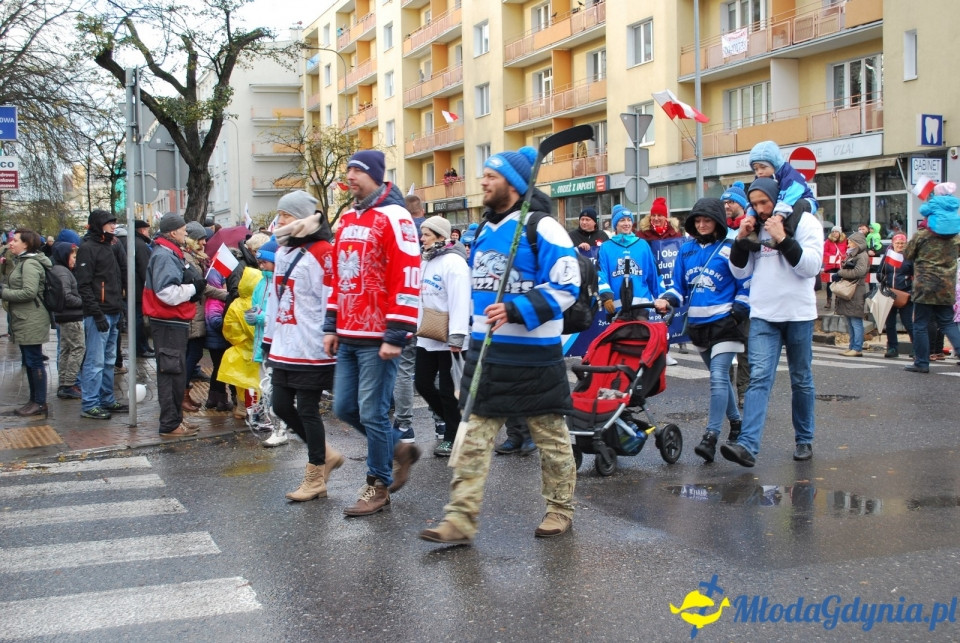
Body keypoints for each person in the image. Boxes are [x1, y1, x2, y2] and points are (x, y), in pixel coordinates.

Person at [419, 145, 579, 545]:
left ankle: (560, 508)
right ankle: (459, 518)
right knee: (471, 439)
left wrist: (516, 307)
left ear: (514, 183)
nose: (483, 182)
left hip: (535, 358)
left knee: (552, 439)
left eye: (491, 176)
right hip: (487, 356)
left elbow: (566, 284)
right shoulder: (483, 231)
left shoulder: (542, 227)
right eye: (484, 175)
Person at [323, 150, 422, 517]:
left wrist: (396, 332)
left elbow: (407, 275)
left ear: (377, 176)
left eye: (357, 171)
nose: (350, 176)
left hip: (380, 335)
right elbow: (337, 276)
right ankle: (399, 448)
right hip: (348, 333)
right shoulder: (347, 217)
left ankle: (378, 485)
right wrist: (331, 324)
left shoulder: (396, 218)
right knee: (345, 407)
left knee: (373, 412)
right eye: (348, 169)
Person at [723, 177, 824, 466]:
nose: (760, 209)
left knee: (801, 379)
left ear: (776, 198)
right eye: (754, 204)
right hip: (764, 314)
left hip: (798, 314)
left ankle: (804, 439)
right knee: (758, 378)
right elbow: (740, 273)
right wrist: (741, 240)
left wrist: (782, 237)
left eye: (763, 203)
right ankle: (748, 445)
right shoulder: (754, 226)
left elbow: (810, 268)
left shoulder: (805, 222)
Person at [265, 193, 344, 497]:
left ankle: (315, 477)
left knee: (308, 409)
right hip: (285, 345)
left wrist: (331, 332)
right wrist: (269, 339)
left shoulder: (324, 251)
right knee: (280, 405)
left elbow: (331, 298)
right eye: (279, 214)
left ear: (301, 217)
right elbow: (277, 299)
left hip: (312, 345)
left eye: (286, 215)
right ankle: (326, 454)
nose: (280, 221)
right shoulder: (283, 251)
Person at [658, 198, 749, 462]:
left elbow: (746, 282)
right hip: (698, 325)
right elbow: (678, 287)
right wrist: (667, 299)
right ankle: (736, 423)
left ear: (718, 221)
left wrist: (738, 311)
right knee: (720, 379)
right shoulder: (685, 251)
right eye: (697, 220)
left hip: (725, 323)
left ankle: (710, 436)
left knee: (719, 377)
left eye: (707, 220)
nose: (701, 225)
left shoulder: (730, 247)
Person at [143, 212, 206, 437]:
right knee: (171, 373)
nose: (186, 232)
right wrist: (193, 289)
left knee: (176, 372)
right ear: (172, 232)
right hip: (167, 320)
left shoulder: (170, 252)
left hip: (173, 320)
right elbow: (165, 292)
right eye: (183, 229)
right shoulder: (164, 255)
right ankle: (170, 424)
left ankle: (175, 420)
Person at [413, 216, 470, 457]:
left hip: (449, 337)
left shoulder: (454, 263)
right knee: (422, 383)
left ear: (440, 236)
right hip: (427, 334)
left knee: (449, 391)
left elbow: (460, 299)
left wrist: (457, 336)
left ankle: (453, 436)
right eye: (422, 234)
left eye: (426, 234)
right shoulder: (425, 260)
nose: (422, 238)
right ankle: (452, 420)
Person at [74, 209, 127, 420]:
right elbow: (84, 285)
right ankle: (90, 404)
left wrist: (120, 309)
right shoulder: (88, 248)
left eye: (114, 222)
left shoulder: (110, 246)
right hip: (100, 314)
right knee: (95, 362)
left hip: (113, 311)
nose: (114, 226)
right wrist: (96, 314)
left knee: (108, 361)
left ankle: (106, 399)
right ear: (99, 224)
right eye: (109, 223)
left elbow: (117, 278)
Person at [903, 187, 960, 373]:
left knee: (920, 324)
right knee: (948, 323)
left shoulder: (922, 235)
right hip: (947, 285)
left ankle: (921, 362)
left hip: (925, 285)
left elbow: (908, 254)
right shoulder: (956, 237)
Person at [0, 229, 52, 416]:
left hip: (32, 318)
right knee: (30, 361)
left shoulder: (29, 264)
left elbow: (29, 292)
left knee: (34, 361)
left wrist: (4, 293)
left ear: (26, 244)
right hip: (25, 318)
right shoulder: (22, 261)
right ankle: (34, 400)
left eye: (15, 240)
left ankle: (39, 402)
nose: (10, 243)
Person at [392, 194, 429, 445]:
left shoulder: (399, 234)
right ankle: (441, 422)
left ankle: (404, 425)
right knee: (433, 370)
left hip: (405, 310)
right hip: (430, 314)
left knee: (403, 370)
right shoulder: (431, 235)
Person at [182, 221, 226, 411]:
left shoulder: (194, 257)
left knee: (194, 354)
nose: (203, 243)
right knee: (191, 355)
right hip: (193, 313)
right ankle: (181, 395)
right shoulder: (188, 258)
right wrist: (226, 294)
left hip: (196, 313)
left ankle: (184, 393)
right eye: (200, 239)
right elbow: (202, 286)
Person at [596, 204, 663, 316]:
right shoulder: (605, 247)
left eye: (629, 220)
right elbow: (601, 274)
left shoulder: (642, 245)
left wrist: (661, 299)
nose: (626, 223)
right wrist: (606, 295)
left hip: (642, 307)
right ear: (615, 224)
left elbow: (654, 275)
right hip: (616, 309)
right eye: (622, 220)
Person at [721, 182, 752, 405]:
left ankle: (744, 391)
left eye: (731, 202)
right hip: (724, 295)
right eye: (724, 202)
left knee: (746, 347)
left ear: (740, 205)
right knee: (724, 347)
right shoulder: (720, 228)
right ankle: (728, 393)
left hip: (747, 295)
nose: (727, 205)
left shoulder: (750, 227)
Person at [51, 242, 85, 400]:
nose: (75, 259)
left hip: (65, 316)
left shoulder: (59, 270)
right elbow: (66, 297)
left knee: (65, 349)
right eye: (73, 256)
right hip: (71, 316)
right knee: (77, 348)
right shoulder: (63, 272)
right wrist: (83, 300)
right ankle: (69, 384)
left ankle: (65, 383)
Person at [830, 232, 870, 357]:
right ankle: (852, 346)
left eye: (851, 241)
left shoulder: (862, 255)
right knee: (850, 319)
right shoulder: (854, 254)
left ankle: (857, 347)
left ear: (857, 243)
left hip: (856, 290)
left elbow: (859, 271)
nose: (848, 243)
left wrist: (841, 273)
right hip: (852, 290)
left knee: (855, 320)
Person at [876, 232, 914, 358]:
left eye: (902, 243)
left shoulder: (909, 257)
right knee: (890, 323)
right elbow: (880, 271)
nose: (900, 245)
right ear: (893, 244)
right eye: (897, 243)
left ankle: (915, 347)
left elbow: (916, 275)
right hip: (889, 293)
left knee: (908, 322)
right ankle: (892, 348)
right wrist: (881, 277)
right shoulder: (888, 256)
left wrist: (911, 289)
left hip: (905, 293)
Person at [132, 220, 154, 357]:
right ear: (141, 230)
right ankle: (141, 347)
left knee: (140, 318)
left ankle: (144, 345)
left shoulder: (137, 243)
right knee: (140, 320)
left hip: (136, 288)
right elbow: (144, 268)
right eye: (147, 230)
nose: (148, 232)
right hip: (139, 289)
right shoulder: (140, 245)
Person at [822, 226, 847, 310]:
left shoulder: (844, 241)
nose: (834, 233)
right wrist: (833, 257)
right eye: (833, 231)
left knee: (839, 283)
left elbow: (846, 252)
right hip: (830, 265)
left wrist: (841, 257)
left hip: (840, 265)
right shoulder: (828, 241)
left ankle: (837, 301)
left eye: (836, 231)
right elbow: (825, 252)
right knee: (829, 283)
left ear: (840, 233)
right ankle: (829, 300)